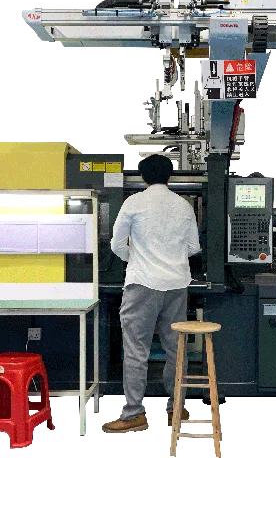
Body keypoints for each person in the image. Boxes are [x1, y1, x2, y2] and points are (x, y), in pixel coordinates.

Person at [104, 154, 201, 433]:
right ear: (169, 176)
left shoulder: (133, 203)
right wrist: (171, 258)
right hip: (176, 286)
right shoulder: (183, 205)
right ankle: (177, 409)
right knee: (176, 349)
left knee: (136, 350)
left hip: (142, 284)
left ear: (143, 177)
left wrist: (137, 258)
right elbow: (194, 247)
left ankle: (134, 413)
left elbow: (116, 245)